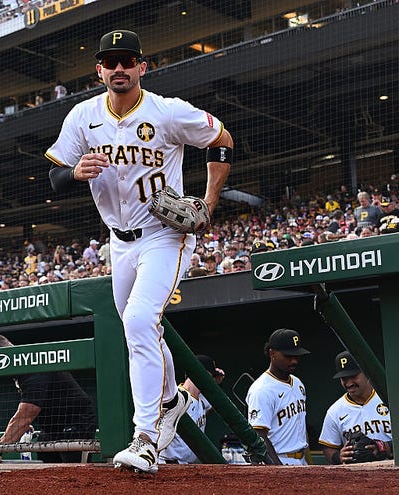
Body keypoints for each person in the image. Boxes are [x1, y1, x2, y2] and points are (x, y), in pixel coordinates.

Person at [46, 29, 233, 474]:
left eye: (128, 60)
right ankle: (173, 401)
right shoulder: (82, 116)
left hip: (165, 233)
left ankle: (146, 439)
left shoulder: (166, 112)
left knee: (138, 320)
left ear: (142, 67)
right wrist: (74, 173)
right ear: (99, 71)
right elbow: (51, 179)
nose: (119, 68)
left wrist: (207, 203)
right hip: (118, 241)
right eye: (110, 61)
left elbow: (221, 138)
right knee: (141, 331)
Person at [0, 334, 97, 464]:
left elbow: (24, 417)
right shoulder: (18, 372)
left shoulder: (31, 363)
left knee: (76, 473)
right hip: (51, 429)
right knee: (46, 473)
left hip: (75, 425)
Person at [246, 328, 310, 465]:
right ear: (272, 353)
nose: (294, 361)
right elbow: (259, 436)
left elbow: (301, 429)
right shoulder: (261, 389)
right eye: (288, 356)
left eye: (296, 356)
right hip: (280, 459)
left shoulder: (298, 383)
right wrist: (277, 469)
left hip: (302, 459)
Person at [318, 351, 392, 465]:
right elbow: (328, 447)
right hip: (355, 475)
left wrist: (386, 447)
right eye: (343, 378)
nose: (348, 383)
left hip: (392, 468)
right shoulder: (335, 411)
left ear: (367, 373)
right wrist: (339, 458)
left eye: (353, 376)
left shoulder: (390, 399)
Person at [159, 355, 225, 464]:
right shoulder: (177, 397)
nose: (212, 380)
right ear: (205, 374)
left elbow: (215, 405)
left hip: (186, 467)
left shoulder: (201, 400)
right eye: (212, 376)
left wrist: (218, 384)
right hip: (168, 464)